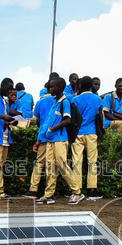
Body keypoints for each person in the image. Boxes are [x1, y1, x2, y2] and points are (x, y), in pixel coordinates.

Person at [36, 77, 83, 205]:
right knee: (50, 167)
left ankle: (77, 192)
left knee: (62, 164)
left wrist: (53, 128)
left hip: (60, 139)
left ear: (60, 88)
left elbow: (67, 120)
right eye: (50, 86)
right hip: (51, 140)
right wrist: (40, 139)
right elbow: (46, 122)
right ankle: (48, 195)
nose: (50, 89)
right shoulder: (54, 102)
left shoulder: (65, 102)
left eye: (52, 87)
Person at [71, 76, 104, 200]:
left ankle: (77, 190)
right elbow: (100, 116)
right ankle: (92, 190)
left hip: (78, 134)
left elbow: (73, 118)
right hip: (91, 133)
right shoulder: (97, 99)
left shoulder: (75, 99)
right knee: (92, 162)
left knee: (77, 162)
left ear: (80, 86)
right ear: (91, 86)